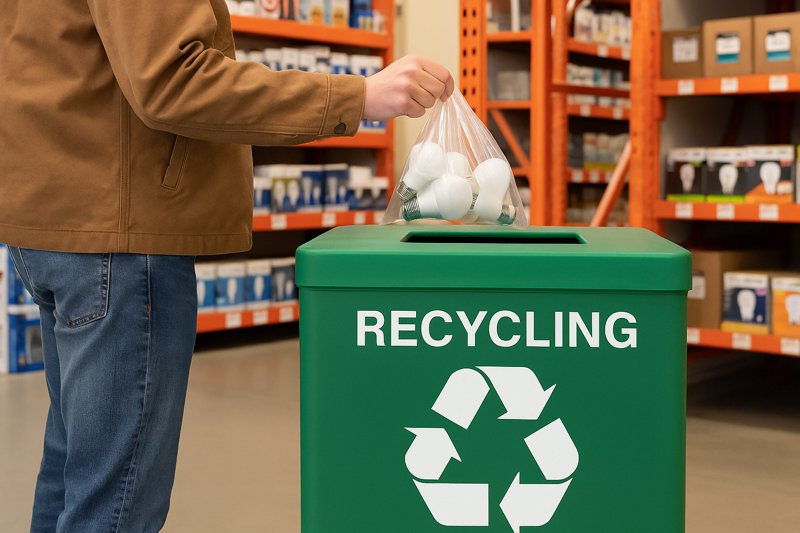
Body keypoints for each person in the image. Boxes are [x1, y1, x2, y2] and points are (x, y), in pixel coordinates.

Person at [0, 0, 454, 531]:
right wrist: (358, 96)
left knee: (77, 470)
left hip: (58, 218)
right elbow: (174, 80)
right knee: (114, 501)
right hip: (120, 235)